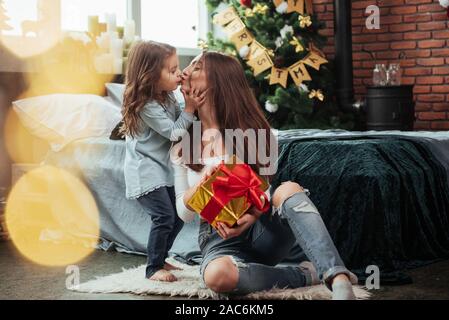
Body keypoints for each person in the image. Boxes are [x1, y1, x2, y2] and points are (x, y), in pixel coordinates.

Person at [171, 51, 358, 299]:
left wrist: (254, 214)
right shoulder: (182, 144)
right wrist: (201, 188)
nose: (185, 71)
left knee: (288, 188)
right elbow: (182, 212)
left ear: (219, 80)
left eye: (197, 67)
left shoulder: (256, 132)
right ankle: (305, 275)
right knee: (217, 276)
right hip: (218, 237)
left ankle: (339, 278)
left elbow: (265, 191)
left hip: (262, 229)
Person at [121, 41, 206, 282]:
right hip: (145, 172)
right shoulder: (146, 105)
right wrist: (189, 107)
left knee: (177, 215)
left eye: (177, 67)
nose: (178, 73)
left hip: (162, 170)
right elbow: (174, 133)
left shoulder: (166, 97)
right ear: (149, 76)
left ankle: (161, 258)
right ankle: (152, 268)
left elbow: (183, 122)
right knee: (164, 217)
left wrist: (185, 103)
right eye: (171, 71)